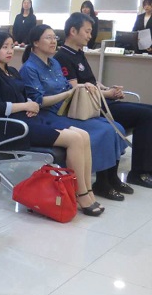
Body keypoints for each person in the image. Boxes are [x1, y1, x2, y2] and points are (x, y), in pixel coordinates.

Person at [0, 32, 103, 216]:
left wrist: (32, 105)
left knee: (83, 135)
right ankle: (81, 194)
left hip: (26, 121)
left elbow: (23, 97)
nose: (10, 51)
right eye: (4, 47)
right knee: (75, 139)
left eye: (11, 46)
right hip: (11, 129)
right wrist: (25, 106)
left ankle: (87, 191)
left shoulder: (12, 71)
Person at [20, 24, 129, 201]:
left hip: (66, 110)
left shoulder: (54, 63)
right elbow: (38, 101)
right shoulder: (29, 68)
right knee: (104, 130)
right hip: (49, 116)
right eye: (48, 38)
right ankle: (98, 184)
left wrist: (84, 86)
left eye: (55, 37)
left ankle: (110, 178)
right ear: (36, 42)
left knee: (114, 127)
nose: (53, 41)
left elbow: (66, 86)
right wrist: (69, 93)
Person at [56, 12, 152, 189]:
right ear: (73, 31)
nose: (90, 35)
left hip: (99, 101)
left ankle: (142, 169)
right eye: (87, 31)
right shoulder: (62, 56)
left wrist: (108, 89)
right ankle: (138, 172)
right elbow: (75, 89)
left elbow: (92, 82)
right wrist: (107, 94)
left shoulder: (79, 53)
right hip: (88, 107)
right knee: (146, 116)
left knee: (149, 110)